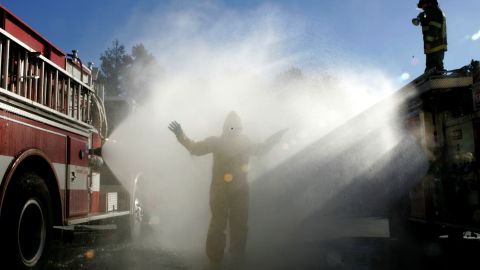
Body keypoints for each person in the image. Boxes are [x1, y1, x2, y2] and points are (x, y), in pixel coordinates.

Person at [168, 112, 287, 269]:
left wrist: (180, 134)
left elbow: (195, 148)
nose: (233, 129)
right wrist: (275, 138)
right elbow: (262, 148)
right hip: (228, 191)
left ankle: (223, 260)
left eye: (235, 127)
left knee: (231, 225)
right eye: (232, 127)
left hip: (227, 191)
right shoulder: (229, 142)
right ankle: (223, 260)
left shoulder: (224, 142)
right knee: (229, 225)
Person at [412, 0, 447, 73]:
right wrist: (422, 19)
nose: (422, 8)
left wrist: (428, 42)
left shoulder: (435, 12)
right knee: (431, 68)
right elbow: (428, 27)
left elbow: (433, 28)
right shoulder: (431, 13)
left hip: (436, 45)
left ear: (429, 3)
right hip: (433, 46)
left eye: (423, 6)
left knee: (435, 68)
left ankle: (438, 78)